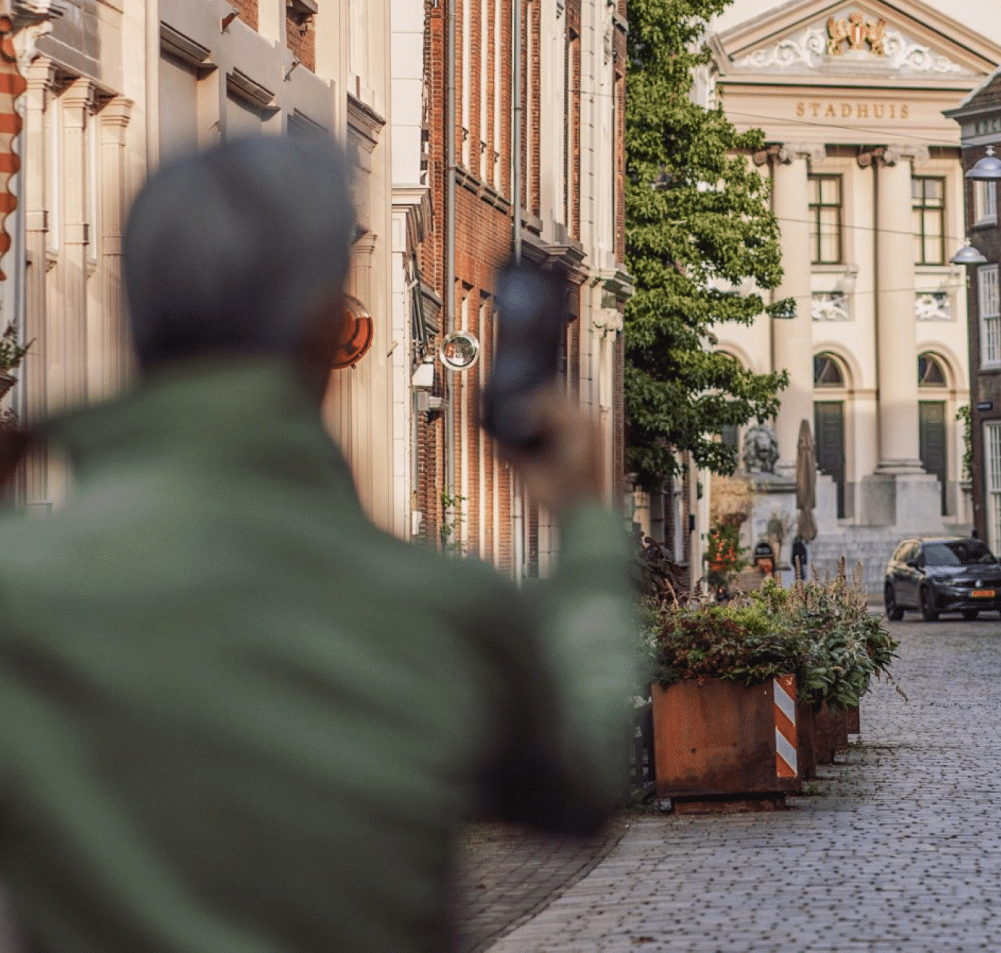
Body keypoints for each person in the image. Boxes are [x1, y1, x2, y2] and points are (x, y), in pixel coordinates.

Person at [0, 137, 637, 953]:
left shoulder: (22, 589)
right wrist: (584, 524)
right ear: (318, 331)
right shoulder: (438, 611)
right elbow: (581, 781)